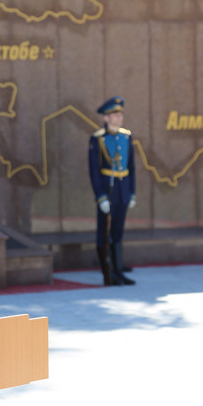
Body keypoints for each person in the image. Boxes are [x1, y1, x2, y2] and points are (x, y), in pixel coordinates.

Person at [88, 96, 136, 286]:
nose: (119, 117)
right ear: (106, 118)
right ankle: (108, 273)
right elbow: (94, 170)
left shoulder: (126, 136)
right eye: (115, 115)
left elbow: (131, 167)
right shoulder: (98, 138)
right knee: (104, 233)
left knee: (117, 232)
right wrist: (100, 197)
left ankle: (118, 271)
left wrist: (131, 192)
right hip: (108, 190)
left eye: (120, 114)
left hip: (122, 189)